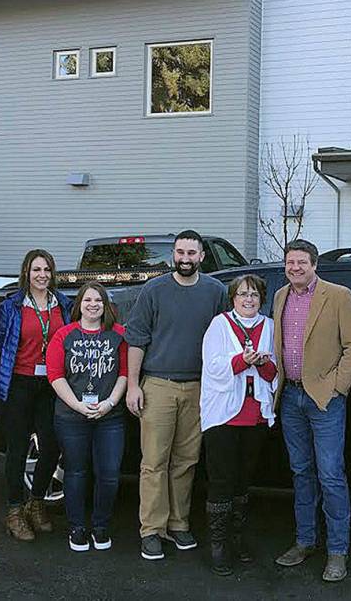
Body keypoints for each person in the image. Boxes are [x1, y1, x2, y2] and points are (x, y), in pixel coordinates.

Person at [124, 230, 228, 561]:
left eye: (191, 253)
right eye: (180, 252)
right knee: (154, 461)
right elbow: (137, 338)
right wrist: (132, 384)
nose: (185, 258)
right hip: (158, 385)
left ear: (201, 257)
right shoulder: (154, 290)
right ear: (173, 255)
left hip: (199, 387)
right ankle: (151, 530)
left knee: (186, 462)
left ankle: (179, 523)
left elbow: (228, 335)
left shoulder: (216, 291)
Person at [272, 239, 351, 582]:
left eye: (301, 262)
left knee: (330, 474)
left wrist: (337, 387)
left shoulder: (338, 295)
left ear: (314, 265)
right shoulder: (280, 296)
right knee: (300, 472)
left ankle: (337, 551)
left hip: (324, 399)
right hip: (291, 399)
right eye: (290, 263)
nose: (295, 268)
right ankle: (304, 541)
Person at [200, 274, 279, 576]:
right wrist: (243, 360)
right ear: (233, 298)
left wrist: (261, 363)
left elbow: (274, 373)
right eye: (243, 294)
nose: (249, 300)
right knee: (222, 479)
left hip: (254, 413)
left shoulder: (269, 327)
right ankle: (218, 544)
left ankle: (238, 538)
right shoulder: (219, 325)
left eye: (255, 295)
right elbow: (213, 365)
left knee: (244, 480)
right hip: (224, 414)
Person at [0, 249, 73, 541]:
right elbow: (0, 346)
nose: (42, 275)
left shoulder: (63, 304)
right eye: (36, 270)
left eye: (47, 270)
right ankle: (14, 511)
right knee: (16, 448)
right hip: (19, 383)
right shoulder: (12, 306)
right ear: (26, 272)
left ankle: (36, 503)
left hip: (51, 384)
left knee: (51, 446)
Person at [47, 282, 129, 552]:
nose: (93, 304)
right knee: (76, 471)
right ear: (79, 304)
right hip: (71, 416)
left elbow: (125, 374)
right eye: (87, 300)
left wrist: (109, 403)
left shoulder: (118, 335)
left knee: (108, 474)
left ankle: (101, 524)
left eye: (98, 300)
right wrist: (78, 406)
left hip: (110, 416)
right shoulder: (63, 335)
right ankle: (77, 527)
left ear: (106, 306)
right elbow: (55, 376)